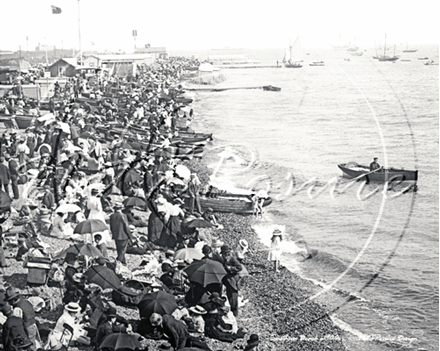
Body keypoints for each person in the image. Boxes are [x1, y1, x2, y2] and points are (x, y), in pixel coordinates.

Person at [221, 245, 242, 317]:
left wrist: (230, 268)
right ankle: (233, 311)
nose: (224, 255)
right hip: (228, 280)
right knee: (229, 296)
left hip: (232, 280)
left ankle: (235, 313)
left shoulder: (233, 259)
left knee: (233, 298)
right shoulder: (224, 259)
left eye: (225, 253)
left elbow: (239, 267)